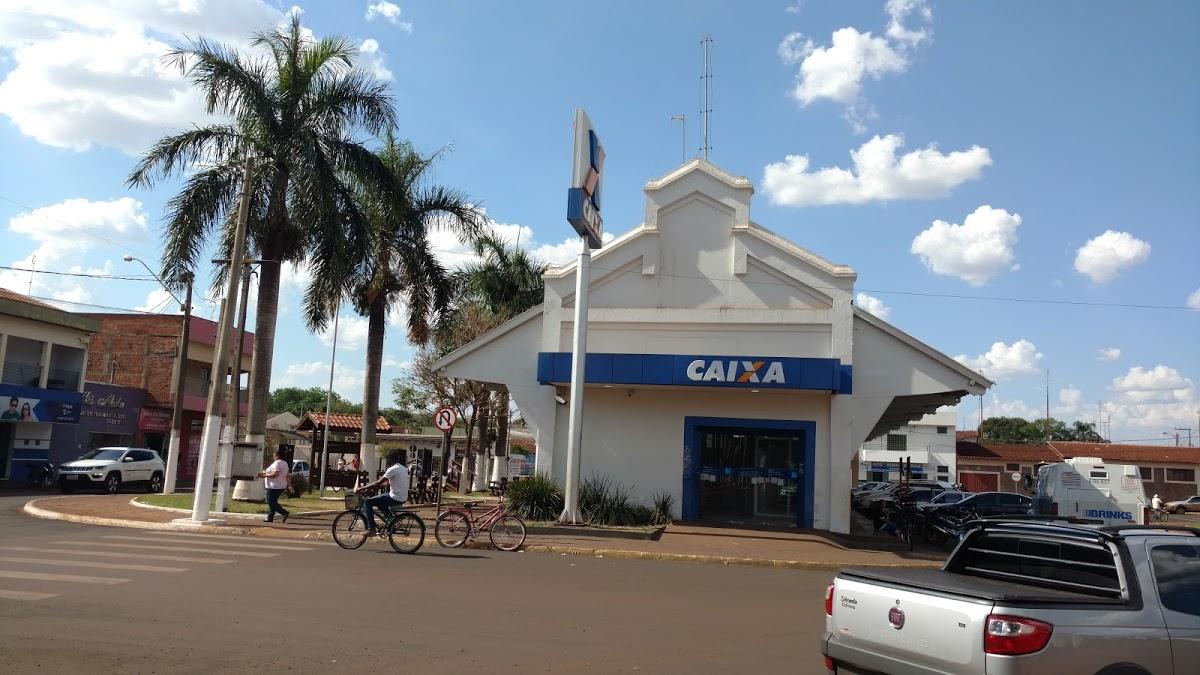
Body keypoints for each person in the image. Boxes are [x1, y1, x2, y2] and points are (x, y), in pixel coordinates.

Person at [355, 451, 409, 536]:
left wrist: (362, 488)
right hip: (402, 497)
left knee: (368, 502)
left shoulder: (392, 469)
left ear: (389, 459)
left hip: (395, 497)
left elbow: (378, 482)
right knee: (380, 500)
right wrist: (373, 489)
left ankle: (371, 529)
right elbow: (388, 482)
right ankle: (392, 521)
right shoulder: (403, 468)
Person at [257, 449, 291, 524]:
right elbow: (287, 475)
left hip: (273, 486)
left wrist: (264, 476)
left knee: (270, 501)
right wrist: (290, 486)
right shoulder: (285, 463)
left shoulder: (277, 463)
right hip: (280, 486)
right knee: (273, 502)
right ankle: (270, 517)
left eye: (274, 455)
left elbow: (275, 474)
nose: (273, 456)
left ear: (277, 455)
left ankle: (284, 512)